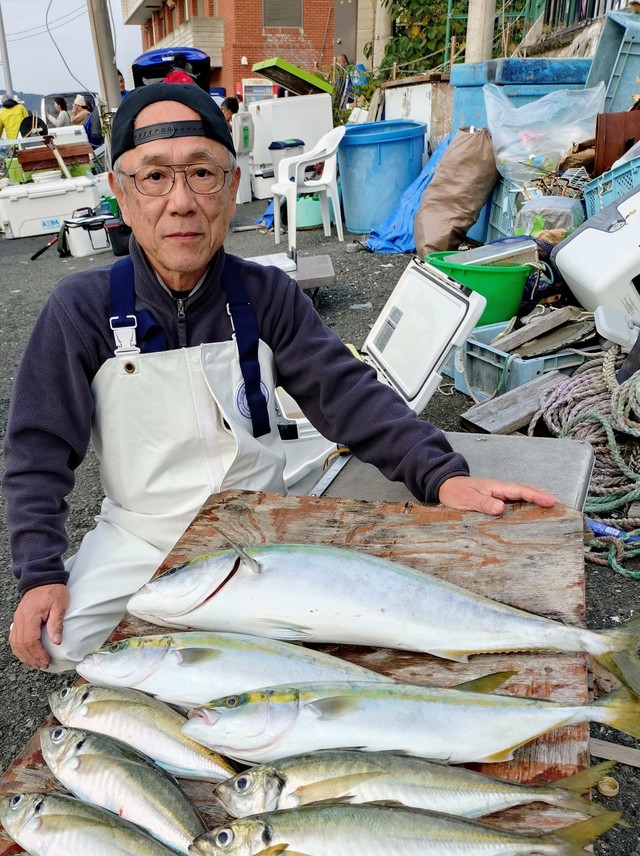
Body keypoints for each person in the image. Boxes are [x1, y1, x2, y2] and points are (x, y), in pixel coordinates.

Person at [3, 83, 556, 673]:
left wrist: (441, 476)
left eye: (202, 173)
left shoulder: (265, 293)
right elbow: (38, 451)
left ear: (233, 186)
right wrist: (40, 572)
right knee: (57, 645)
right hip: (141, 536)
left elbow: (345, 392)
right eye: (155, 177)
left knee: (348, 639)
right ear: (120, 192)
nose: (181, 202)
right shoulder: (81, 308)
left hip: (258, 527)